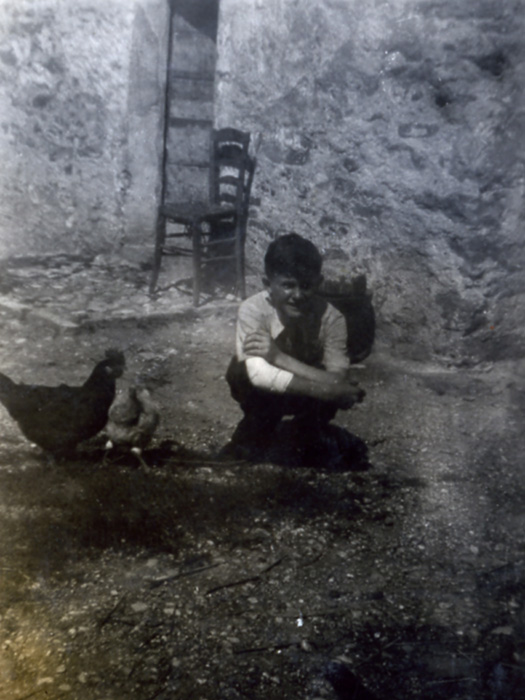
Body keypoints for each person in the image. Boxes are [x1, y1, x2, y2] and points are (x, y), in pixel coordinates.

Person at [222, 232, 365, 463]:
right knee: (240, 369)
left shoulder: (332, 318)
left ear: (318, 283)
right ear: (268, 285)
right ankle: (259, 423)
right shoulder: (253, 310)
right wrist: (333, 391)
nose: (297, 295)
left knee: (310, 447)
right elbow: (260, 375)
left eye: (306, 286)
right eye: (288, 285)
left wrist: (279, 357)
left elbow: (337, 378)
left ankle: (306, 428)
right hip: (267, 392)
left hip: (304, 394)